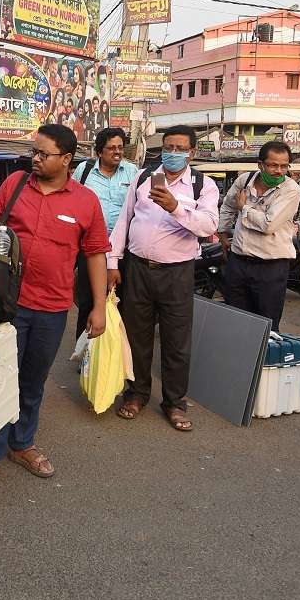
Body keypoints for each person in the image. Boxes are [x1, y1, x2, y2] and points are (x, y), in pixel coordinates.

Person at [0, 124, 110, 488]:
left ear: (66, 159)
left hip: (52, 308)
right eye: (35, 152)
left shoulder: (85, 201)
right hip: (6, 305)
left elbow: (95, 254)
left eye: (44, 154)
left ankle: (22, 443)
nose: (36, 159)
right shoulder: (13, 186)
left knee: (32, 380)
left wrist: (99, 307)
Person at [107, 125, 220, 432]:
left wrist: (175, 207)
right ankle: (137, 393)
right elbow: (124, 220)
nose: (172, 153)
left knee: (176, 342)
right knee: (136, 336)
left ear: (192, 152)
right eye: (168, 147)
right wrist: (113, 262)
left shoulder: (202, 186)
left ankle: (174, 402)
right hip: (138, 269)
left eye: (179, 148)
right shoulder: (143, 179)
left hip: (177, 273)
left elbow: (208, 224)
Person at [218, 141, 300, 331]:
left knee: (267, 325)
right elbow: (228, 205)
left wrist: (244, 208)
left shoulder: (291, 189)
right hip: (238, 262)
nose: (279, 171)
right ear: (260, 164)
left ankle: (263, 361)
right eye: (273, 165)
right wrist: (222, 233)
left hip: (271, 267)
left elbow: (268, 225)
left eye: (284, 166)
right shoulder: (244, 181)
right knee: (235, 321)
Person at [71, 127, 138, 337]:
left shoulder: (132, 172)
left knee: (121, 302)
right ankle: (85, 353)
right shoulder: (85, 169)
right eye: (111, 148)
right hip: (89, 248)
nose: (117, 152)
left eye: (120, 148)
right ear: (99, 151)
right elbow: (70, 199)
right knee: (89, 300)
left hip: (122, 250)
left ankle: (113, 356)